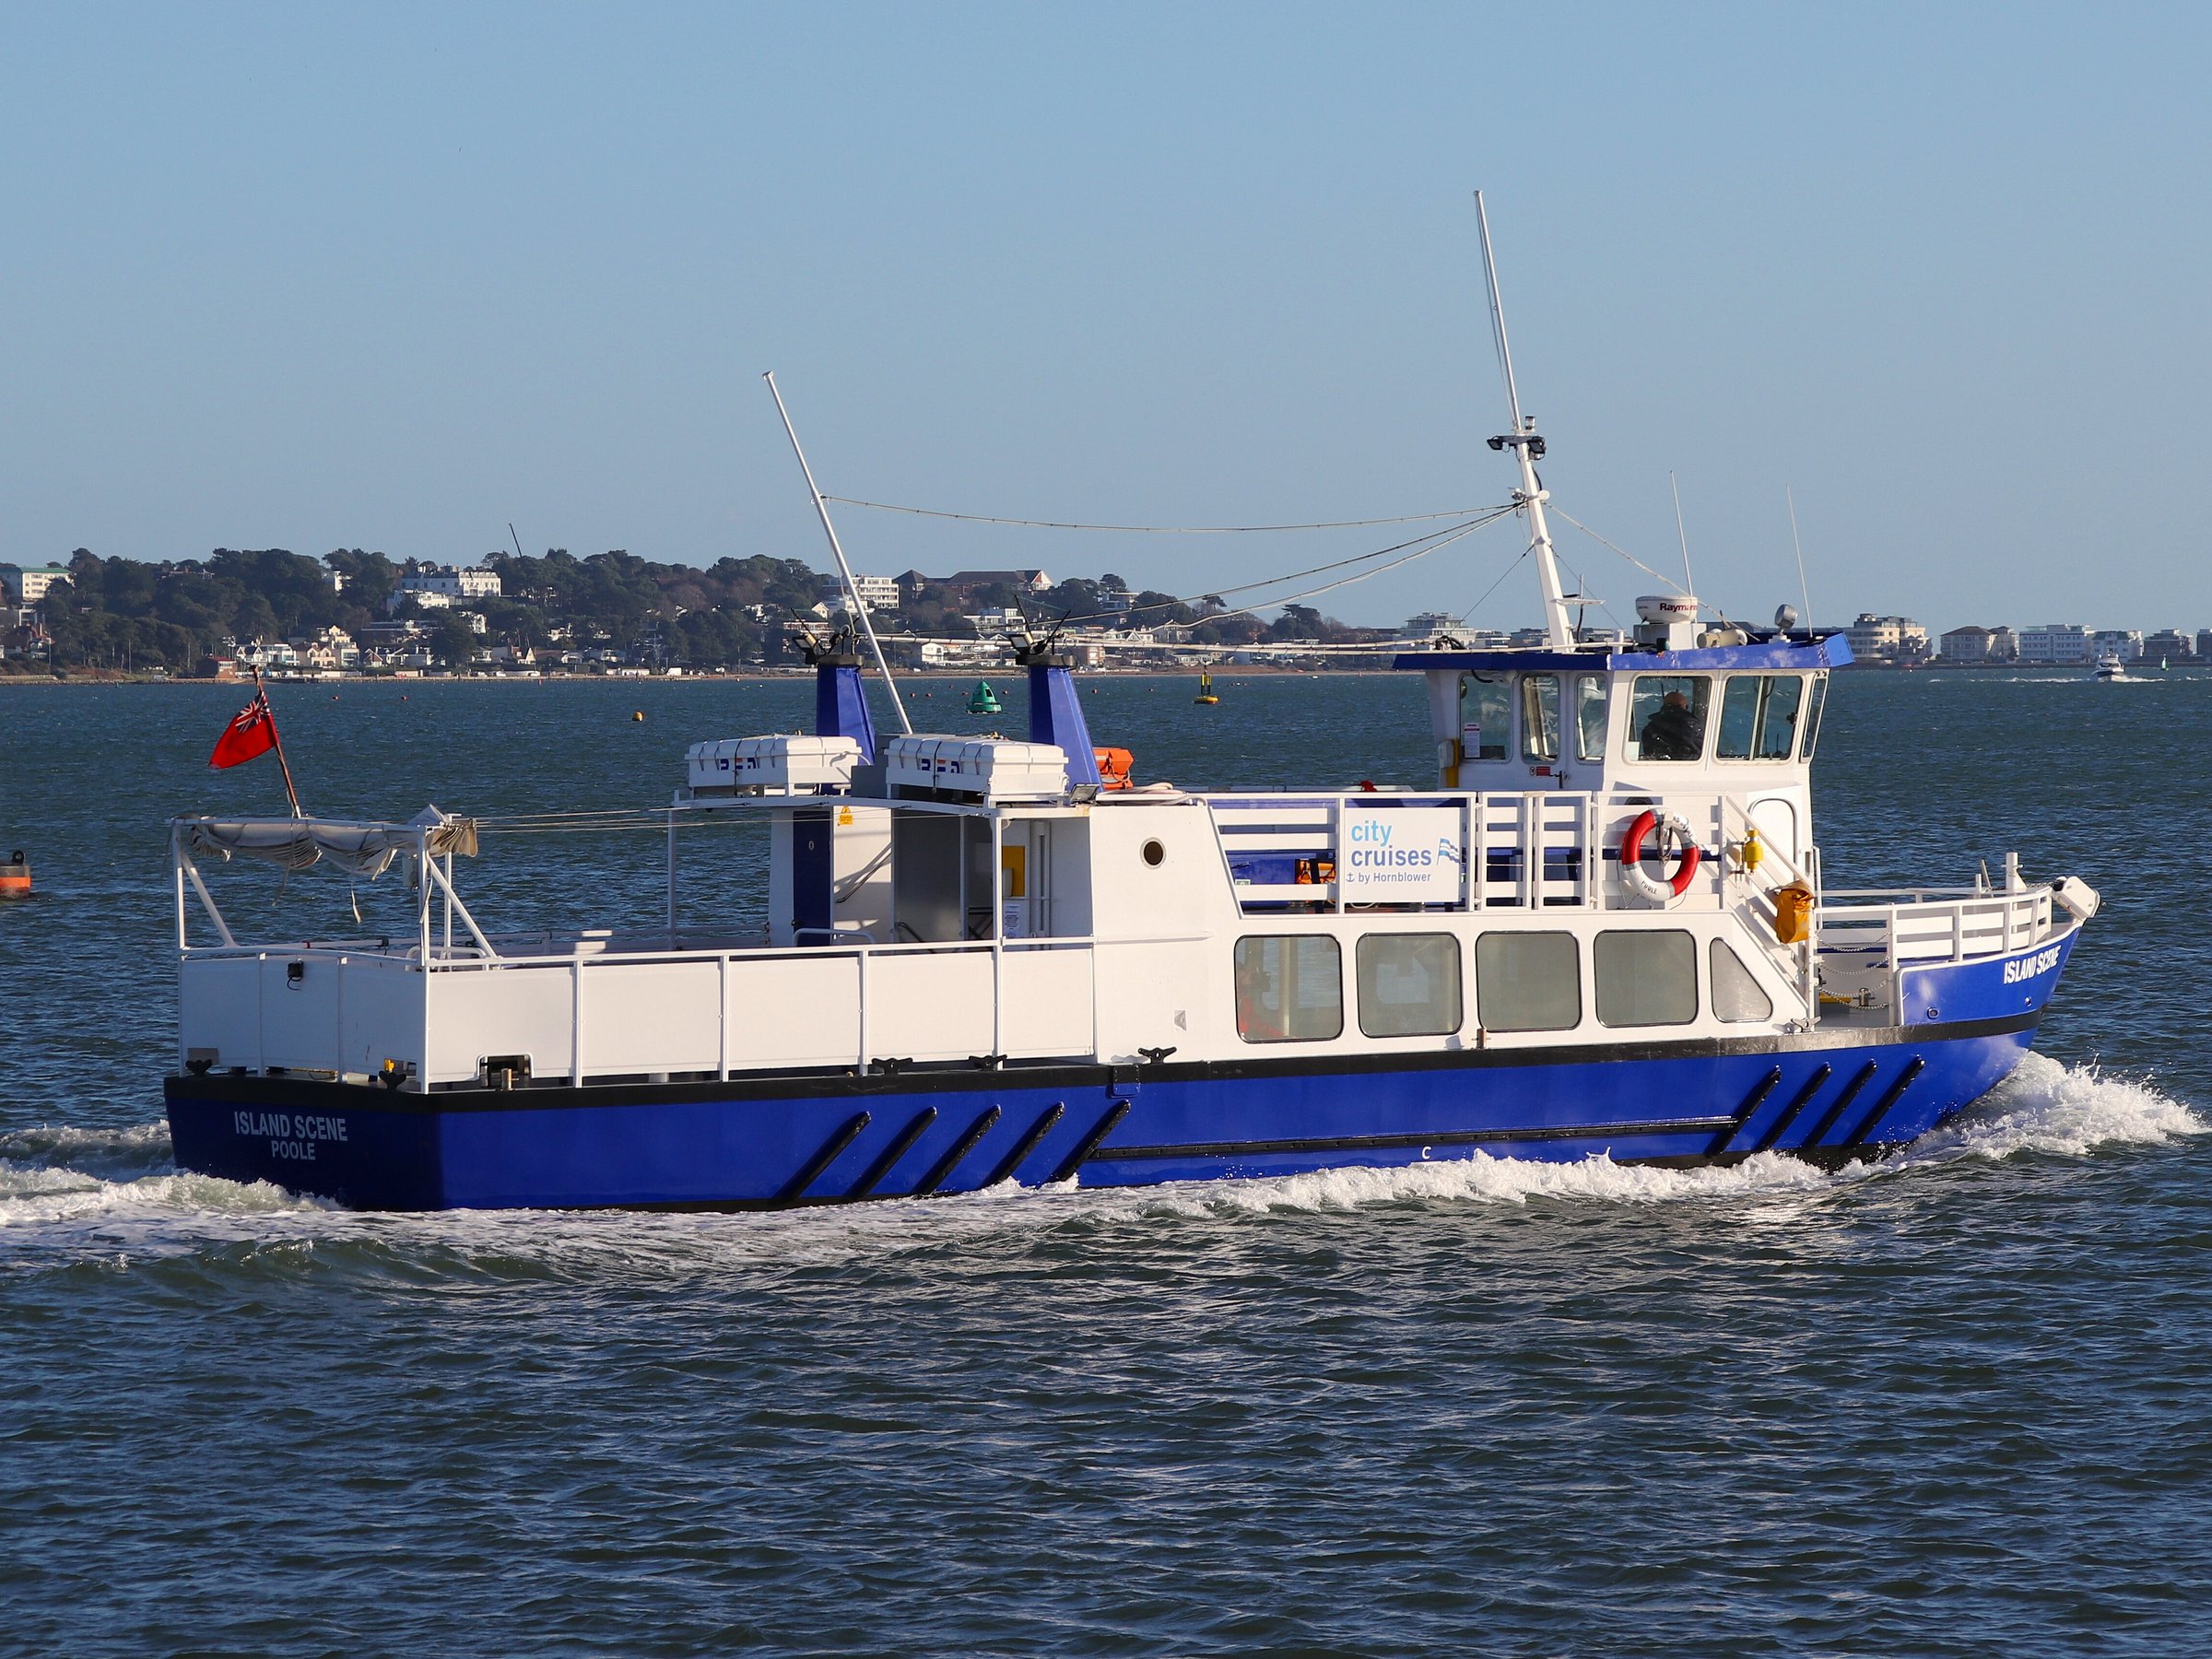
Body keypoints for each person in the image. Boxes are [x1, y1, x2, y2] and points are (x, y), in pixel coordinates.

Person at [1639, 688, 1702, 760]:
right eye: (1686, 706)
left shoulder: (1650, 728)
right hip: (1688, 767)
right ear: (1683, 706)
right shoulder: (1691, 724)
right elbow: (1702, 749)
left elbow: (1648, 751)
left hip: (1657, 767)